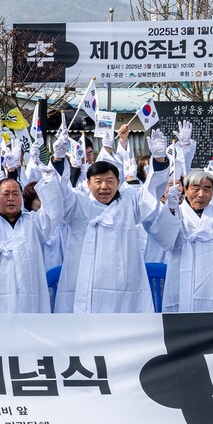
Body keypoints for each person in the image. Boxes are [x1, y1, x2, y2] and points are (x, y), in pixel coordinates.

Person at [51, 129, 170, 313]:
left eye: (110, 181)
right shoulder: (78, 204)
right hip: (84, 287)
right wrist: (58, 160)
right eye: (98, 181)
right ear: (88, 183)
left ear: (118, 182)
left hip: (124, 289)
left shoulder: (130, 203)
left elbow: (152, 190)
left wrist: (160, 158)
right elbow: (58, 194)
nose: (104, 187)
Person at [0, 170, 62, 314]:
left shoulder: (34, 224)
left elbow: (54, 212)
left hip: (27, 301)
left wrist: (50, 176)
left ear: (21, 199)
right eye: (5, 194)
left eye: (15, 194)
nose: (11, 198)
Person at [153, 167, 213, 312]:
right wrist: (171, 209)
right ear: (185, 189)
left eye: (207, 189)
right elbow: (165, 240)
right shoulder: (177, 212)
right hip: (182, 279)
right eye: (195, 188)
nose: (201, 194)